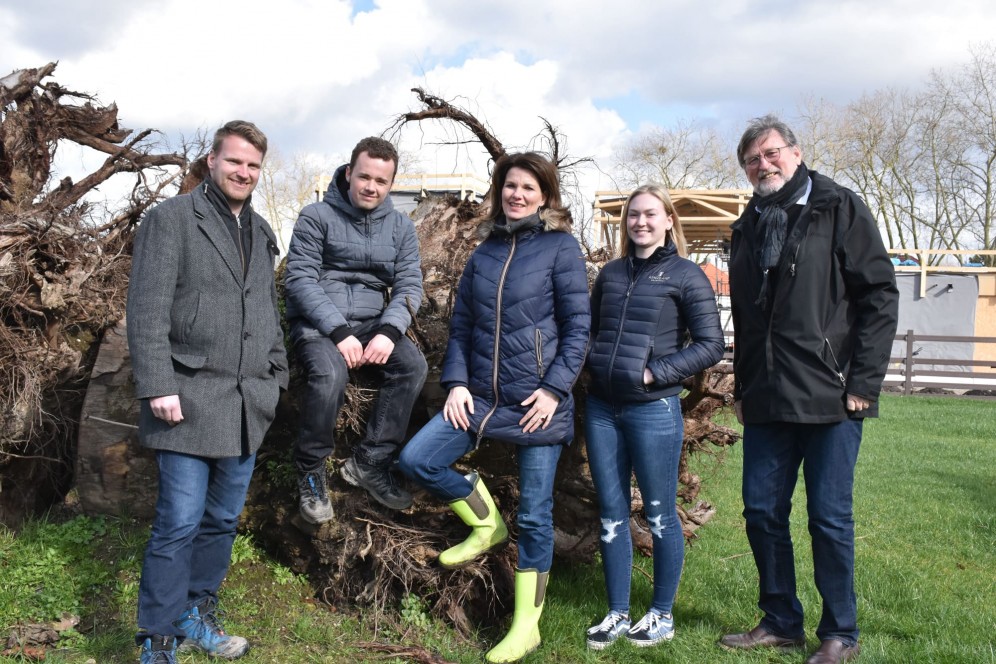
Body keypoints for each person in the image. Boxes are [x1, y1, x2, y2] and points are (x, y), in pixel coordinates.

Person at [397, 152, 590, 663]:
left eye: (529, 187)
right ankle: (486, 523)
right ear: (499, 191)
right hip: (480, 398)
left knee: (535, 515)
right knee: (418, 458)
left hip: (536, 404)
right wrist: (456, 382)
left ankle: (527, 625)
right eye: (510, 186)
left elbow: (577, 331)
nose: (517, 195)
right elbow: (462, 328)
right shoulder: (482, 254)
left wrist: (554, 390)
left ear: (545, 196)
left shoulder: (560, 248)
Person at [721, 115, 899, 664]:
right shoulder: (748, 224)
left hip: (832, 396)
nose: (762, 165)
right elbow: (751, 319)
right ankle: (780, 620)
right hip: (768, 398)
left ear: (796, 154)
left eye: (771, 153)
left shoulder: (838, 207)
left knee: (828, 517)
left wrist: (863, 382)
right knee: (761, 512)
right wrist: (745, 383)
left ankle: (839, 631)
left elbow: (879, 297)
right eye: (752, 159)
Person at [127, 120, 289, 664]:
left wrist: (276, 374)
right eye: (235, 161)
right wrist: (157, 385)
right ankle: (157, 639)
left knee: (221, 521)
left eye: (253, 166)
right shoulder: (171, 220)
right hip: (186, 400)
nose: (244, 172)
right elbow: (146, 309)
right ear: (213, 162)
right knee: (177, 523)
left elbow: (266, 311)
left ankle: (198, 613)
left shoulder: (262, 231)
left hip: (247, 404)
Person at [583, 185, 725, 650]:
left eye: (650, 215)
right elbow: (589, 330)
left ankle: (661, 614)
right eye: (633, 215)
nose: (640, 222)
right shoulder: (610, 274)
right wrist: (592, 365)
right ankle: (617, 613)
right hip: (603, 409)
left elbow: (711, 345)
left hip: (653, 410)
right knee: (611, 514)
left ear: (668, 221)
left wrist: (653, 374)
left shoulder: (686, 276)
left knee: (662, 515)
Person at [284, 137, 427, 520]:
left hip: (372, 323)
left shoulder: (400, 227)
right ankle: (311, 471)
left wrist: (390, 331)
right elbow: (299, 279)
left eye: (381, 181)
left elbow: (411, 286)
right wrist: (337, 331)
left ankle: (369, 461)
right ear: (349, 173)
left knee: (413, 367)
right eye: (364, 177)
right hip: (318, 324)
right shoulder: (315, 216)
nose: (371, 187)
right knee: (330, 374)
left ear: (391, 184)